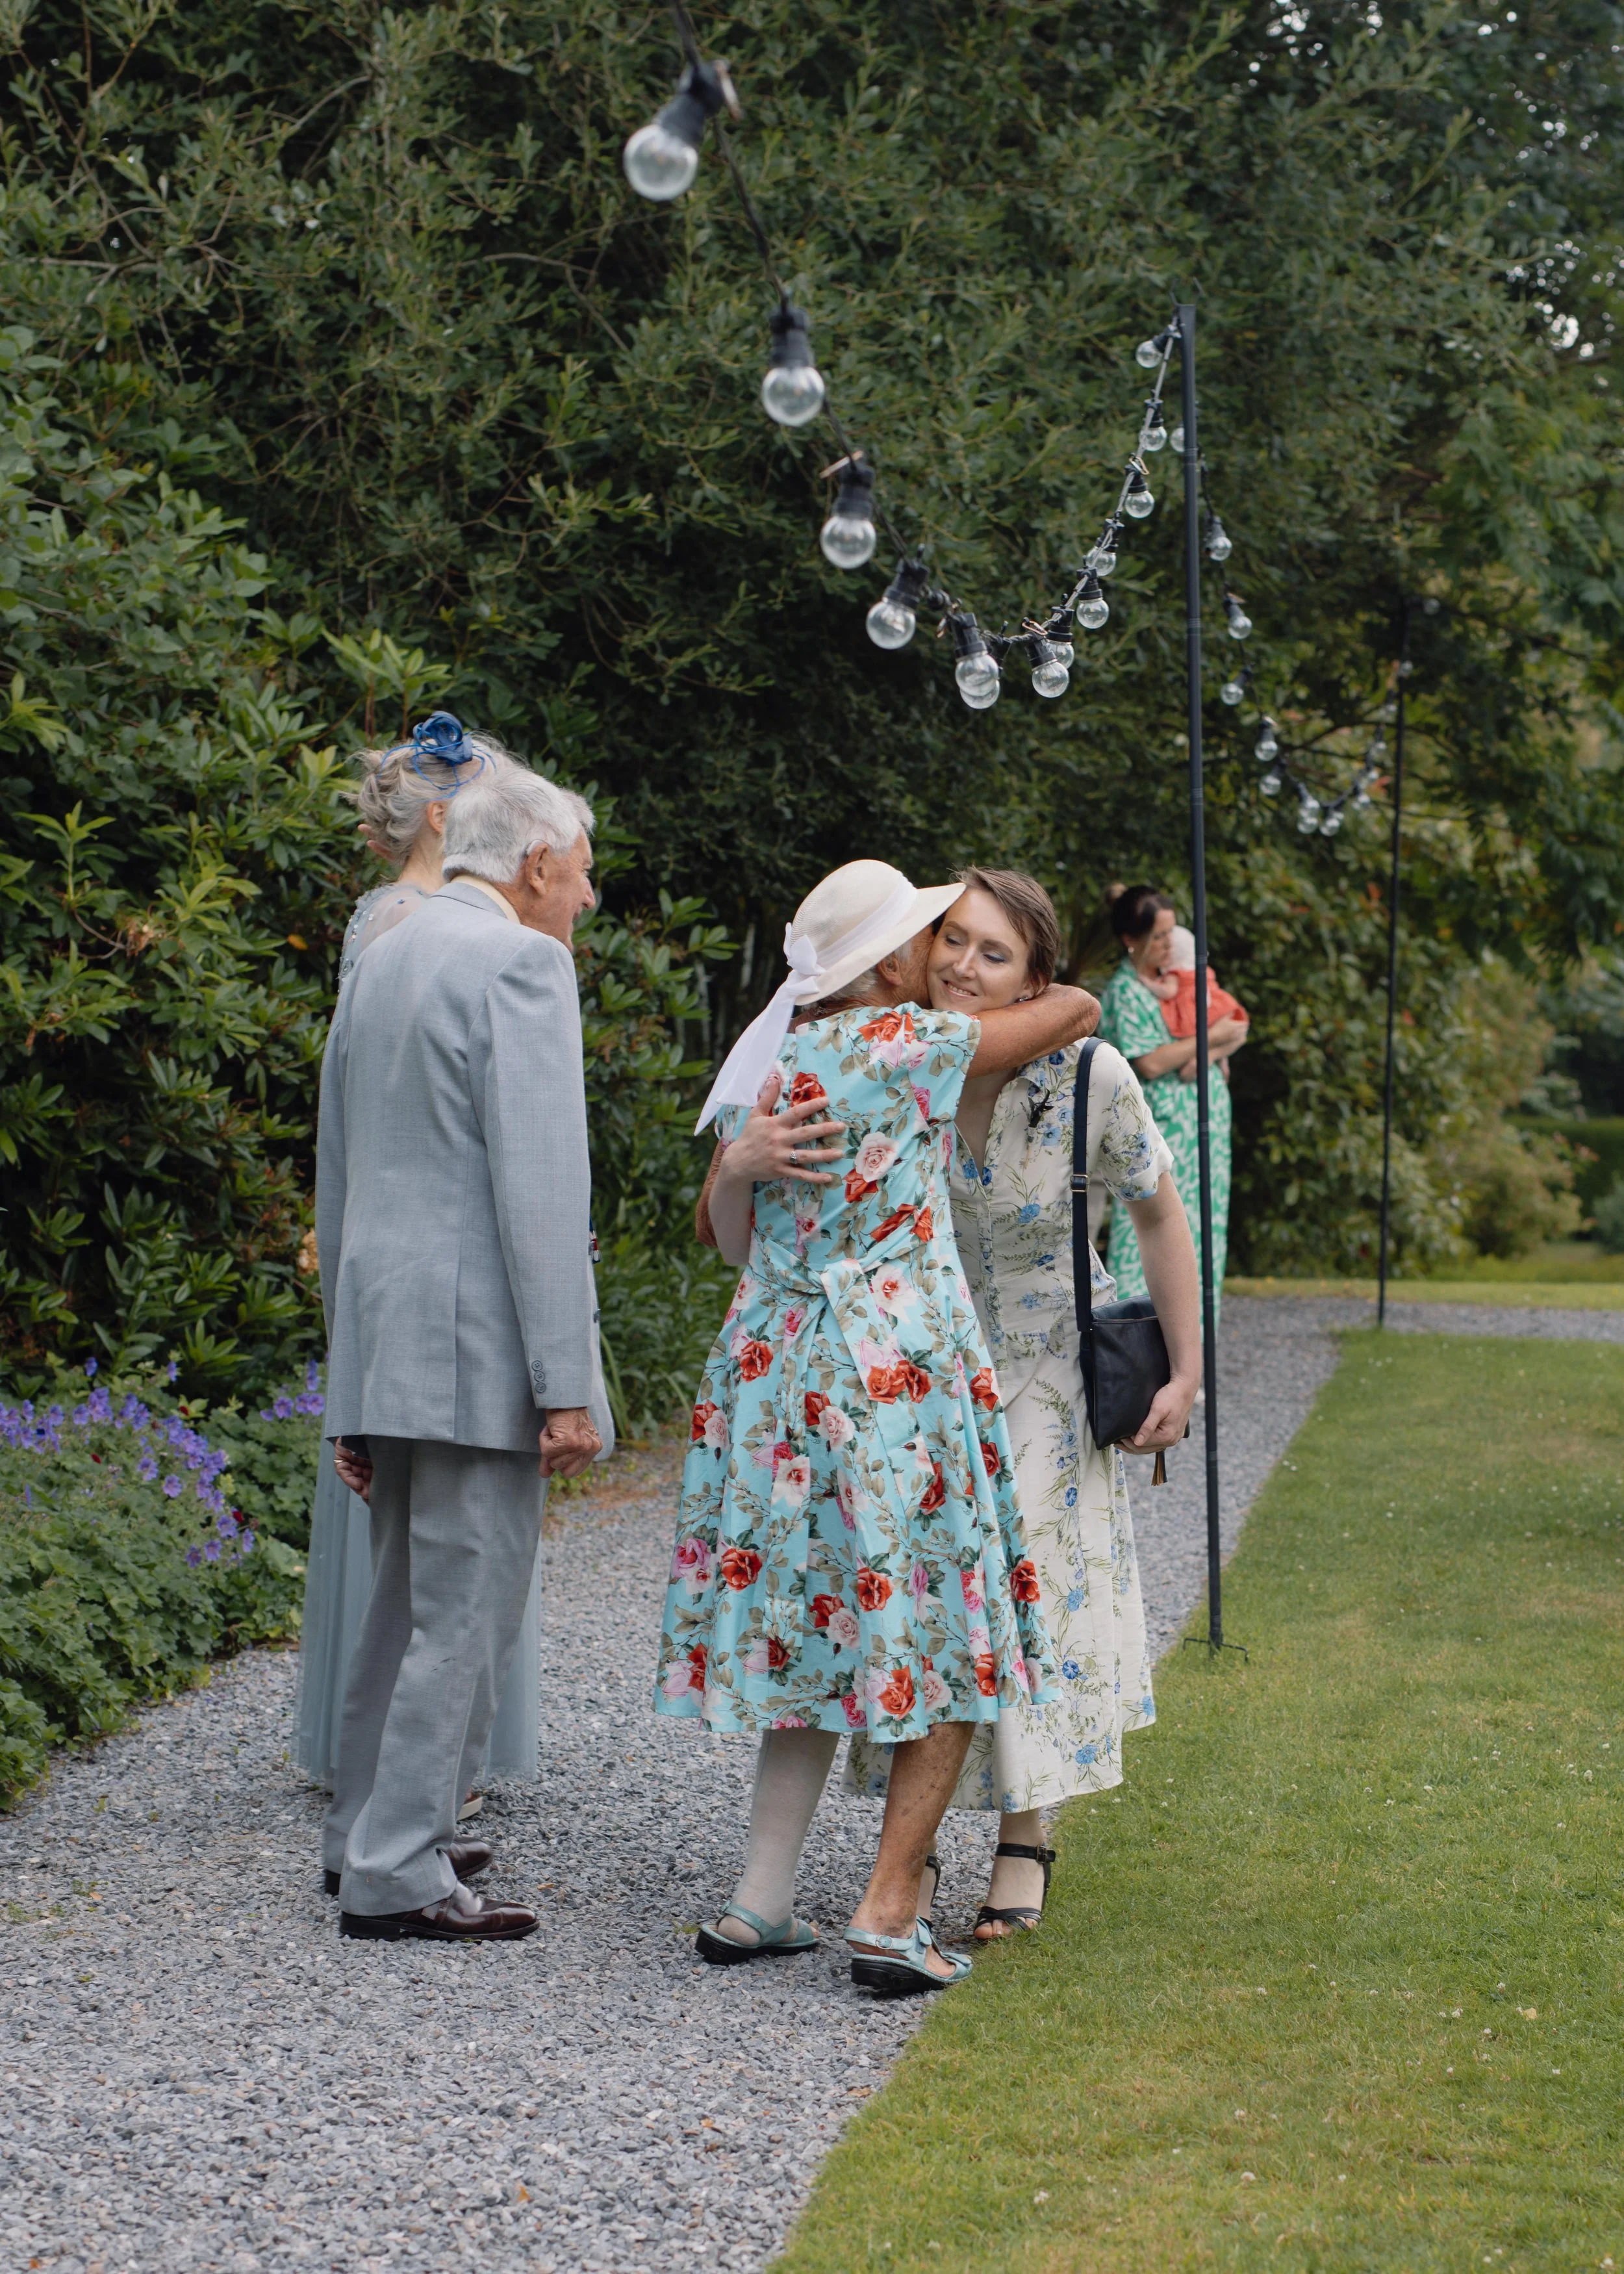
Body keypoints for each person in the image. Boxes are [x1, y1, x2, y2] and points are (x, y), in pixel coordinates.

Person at [657, 859, 1098, 1993]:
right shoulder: (903, 1048)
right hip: (887, 1371)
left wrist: (740, 1166)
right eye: (924, 937)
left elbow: (727, 1235)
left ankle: (760, 1903)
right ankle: (888, 1915)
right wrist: (998, 995)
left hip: (776, 1373)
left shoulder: (782, 1057)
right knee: (944, 1631)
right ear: (884, 964)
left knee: (812, 1622)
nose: (938, 954)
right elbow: (1081, 1010)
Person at [847, 871, 1200, 1937]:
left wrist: (1186, 1375)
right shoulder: (903, 1058)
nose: (961, 964)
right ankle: (910, 1856)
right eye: (951, 940)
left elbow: (1158, 1218)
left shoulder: (1091, 1077)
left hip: (1050, 1371)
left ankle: (1024, 1835)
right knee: (943, 1599)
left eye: (993, 952)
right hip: (935, 1379)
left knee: (1031, 1588)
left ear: (1037, 976)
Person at [316, 763, 604, 1943]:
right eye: (581, 874)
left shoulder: (386, 945)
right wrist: (568, 1385)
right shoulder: (522, 963)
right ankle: (397, 1870)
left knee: (397, 1606)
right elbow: (539, 1190)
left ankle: (363, 1833)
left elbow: (337, 1168)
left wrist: (346, 1372)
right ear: (535, 864)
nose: (584, 899)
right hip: (477, 1340)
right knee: (465, 1614)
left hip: (386, 1330)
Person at [296, 718, 550, 1802]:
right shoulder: (437, 931)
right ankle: (409, 1800)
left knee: (419, 1573)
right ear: (451, 819)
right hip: (444, 1305)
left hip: (395, 1284)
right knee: (441, 1582)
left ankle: (384, 1804)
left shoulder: (384, 925)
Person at [1096, 885, 1248, 1318]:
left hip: (1207, 1128)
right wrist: (1210, 1039)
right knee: (1149, 1233)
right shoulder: (1127, 991)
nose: (1171, 942)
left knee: (1205, 1231)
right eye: (1160, 936)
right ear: (1133, 939)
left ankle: (1195, 1354)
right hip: (1163, 1131)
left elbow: (1235, 1025)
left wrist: (1216, 1048)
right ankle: (1137, 1346)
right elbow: (1150, 1061)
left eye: (1171, 932)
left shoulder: (1178, 982)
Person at [1147, 923, 1250, 1042]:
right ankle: (1216, 1058)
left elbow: (1169, 992)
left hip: (1193, 1011)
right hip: (1217, 1005)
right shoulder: (1199, 968)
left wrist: (1148, 983)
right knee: (1235, 1038)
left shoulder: (1175, 973)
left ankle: (1205, 1058)